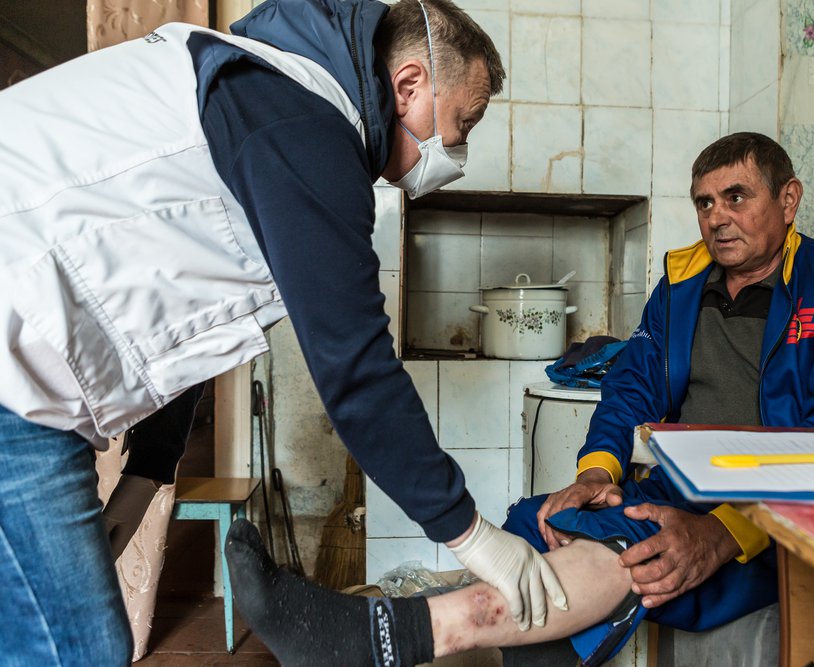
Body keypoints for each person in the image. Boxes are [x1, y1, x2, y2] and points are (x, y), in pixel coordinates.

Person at [0, 0, 565, 664]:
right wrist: (470, 534)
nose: (458, 151)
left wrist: (149, 469)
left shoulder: (273, 95)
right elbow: (356, 370)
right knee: (82, 648)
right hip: (17, 359)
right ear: (409, 85)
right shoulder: (301, 123)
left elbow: (181, 304)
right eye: (462, 123)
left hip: (26, 352)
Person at [222, 131, 814, 666]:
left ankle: (377, 637)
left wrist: (724, 531)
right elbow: (632, 382)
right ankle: (405, 630)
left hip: (776, 516)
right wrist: (597, 471)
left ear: (788, 199)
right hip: (680, 483)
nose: (717, 218)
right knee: (538, 519)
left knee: (637, 547)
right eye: (704, 202)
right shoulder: (684, 284)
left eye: (737, 196)